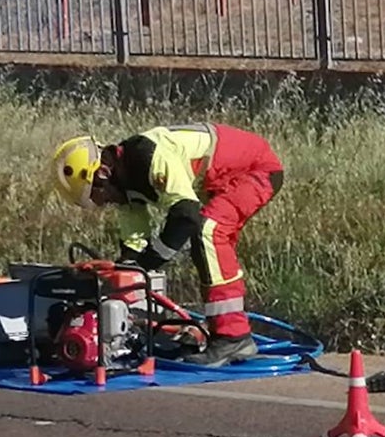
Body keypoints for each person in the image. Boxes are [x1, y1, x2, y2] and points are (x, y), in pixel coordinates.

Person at [51, 123, 284, 367]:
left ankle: (233, 337)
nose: (103, 203)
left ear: (103, 173)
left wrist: (151, 262)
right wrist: (119, 278)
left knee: (207, 232)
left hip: (257, 169)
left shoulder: (149, 157)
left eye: (97, 197)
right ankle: (221, 330)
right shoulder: (125, 181)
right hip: (223, 179)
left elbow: (186, 214)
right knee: (209, 245)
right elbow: (134, 244)